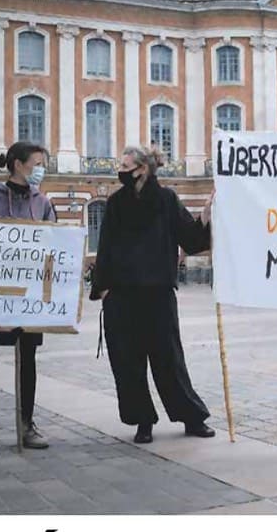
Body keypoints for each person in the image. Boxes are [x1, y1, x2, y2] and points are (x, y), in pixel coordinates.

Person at [91, 146, 215, 444]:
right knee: (128, 362)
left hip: (158, 294)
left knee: (169, 358)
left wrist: (206, 217)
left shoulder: (166, 199)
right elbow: (105, 246)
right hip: (122, 296)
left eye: (124, 164)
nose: (119, 169)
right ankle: (142, 420)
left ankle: (191, 417)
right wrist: (103, 289)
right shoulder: (116, 202)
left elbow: (191, 238)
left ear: (142, 169)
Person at [0, 141, 55, 456]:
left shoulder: (43, 202)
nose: (41, 169)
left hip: (30, 296)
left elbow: (52, 246)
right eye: (37, 162)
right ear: (18, 164)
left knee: (28, 360)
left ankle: (27, 423)